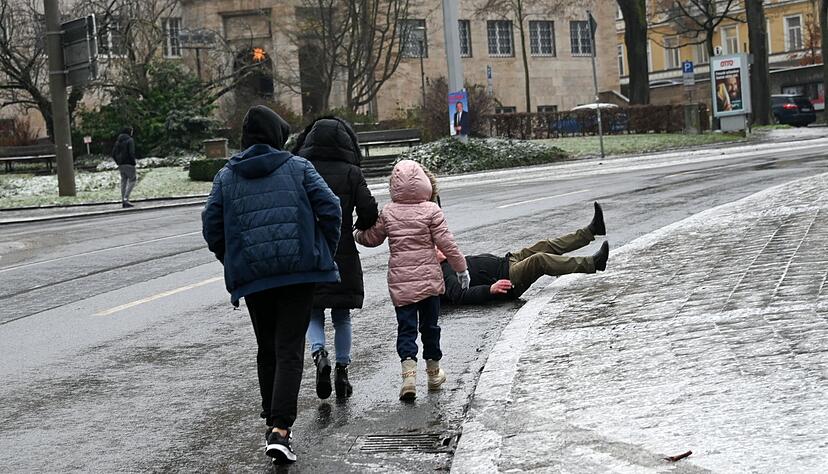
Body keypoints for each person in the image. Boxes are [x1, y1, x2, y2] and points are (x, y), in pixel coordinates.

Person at [202, 105, 342, 465]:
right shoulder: (299, 168)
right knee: (289, 349)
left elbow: (211, 227)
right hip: (298, 275)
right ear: (277, 136)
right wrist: (320, 250)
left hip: (255, 278)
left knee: (267, 348)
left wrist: (234, 258)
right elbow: (331, 209)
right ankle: (280, 429)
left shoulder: (226, 176)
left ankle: (273, 421)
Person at [355, 160, 470, 401]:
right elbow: (447, 244)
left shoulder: (389, 212)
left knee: (406, 329)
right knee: (430, 327)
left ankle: (408, 377)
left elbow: (372, 238)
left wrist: (356, 234)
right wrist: (461, 269)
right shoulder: (432, 211)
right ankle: (434, 373)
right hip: (429, 282)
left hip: (401, 283)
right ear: (425, 183)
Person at [292, 117, 379, 400]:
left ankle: (319, 355)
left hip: (309, 252)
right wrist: (357, 227)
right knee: (342, 316)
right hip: (343, 252)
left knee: (312, 310)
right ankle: (342, 371)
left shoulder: (301, 169)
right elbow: (369, 210)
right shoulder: (352, 172)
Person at [440, 202, 609, 305]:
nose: (439, 248)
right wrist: (489, 289)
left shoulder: (451, 261)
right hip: (508, 279)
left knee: (544, 245)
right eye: (436, 248)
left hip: (509, 261)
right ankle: (593, 263)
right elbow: (459, 296)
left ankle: (591, 231)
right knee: (539, 260)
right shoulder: (444, 272)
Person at [112, 127, 137, 208]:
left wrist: (118, 162)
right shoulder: (130, 140)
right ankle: (126, 198)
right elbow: (131, 152)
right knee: (132, 180)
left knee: (124, 181)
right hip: (129, 163)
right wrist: (133, 162)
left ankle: (123, 199)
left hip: (121, 164)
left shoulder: (118, 141)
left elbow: (113, 153)